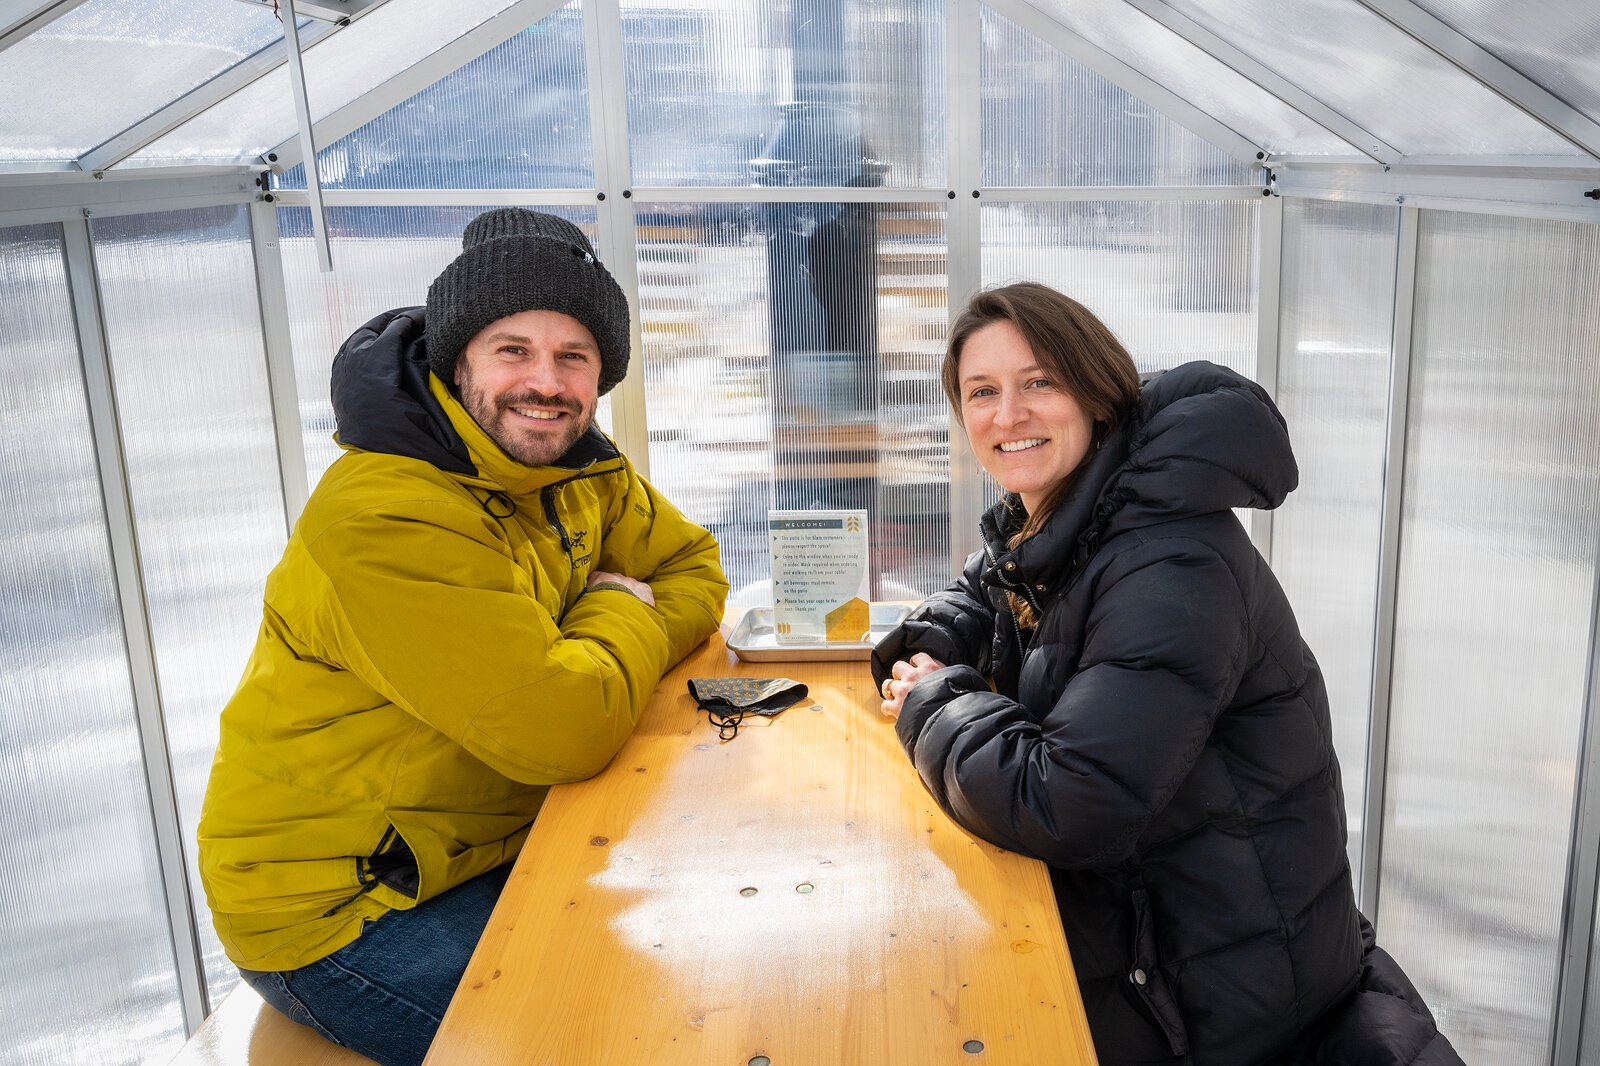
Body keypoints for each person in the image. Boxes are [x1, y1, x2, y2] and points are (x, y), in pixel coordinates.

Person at [872, 282, 1462, 1065]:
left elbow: (1071, 803)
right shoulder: (1074, 508)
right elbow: (996, 580)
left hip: (1225, 996)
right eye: (983, 392)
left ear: (1095, 389)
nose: (1007, 415)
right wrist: (941, 641)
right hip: (1180, 939)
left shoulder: (1170, 562)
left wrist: (934, 701)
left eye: (1038, 382)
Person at [197, 208, 728, 1066]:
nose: (544, 382)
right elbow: (561, 729)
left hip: (489, 840)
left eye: (574, 356)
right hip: (348, 905)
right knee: (617, 1040)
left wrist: (584, 654)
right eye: (512, 349)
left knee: (710, 960)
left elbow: (697, 569)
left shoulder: (575, 465)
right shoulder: (387, 510)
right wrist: (617, 609)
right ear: (458, 359)